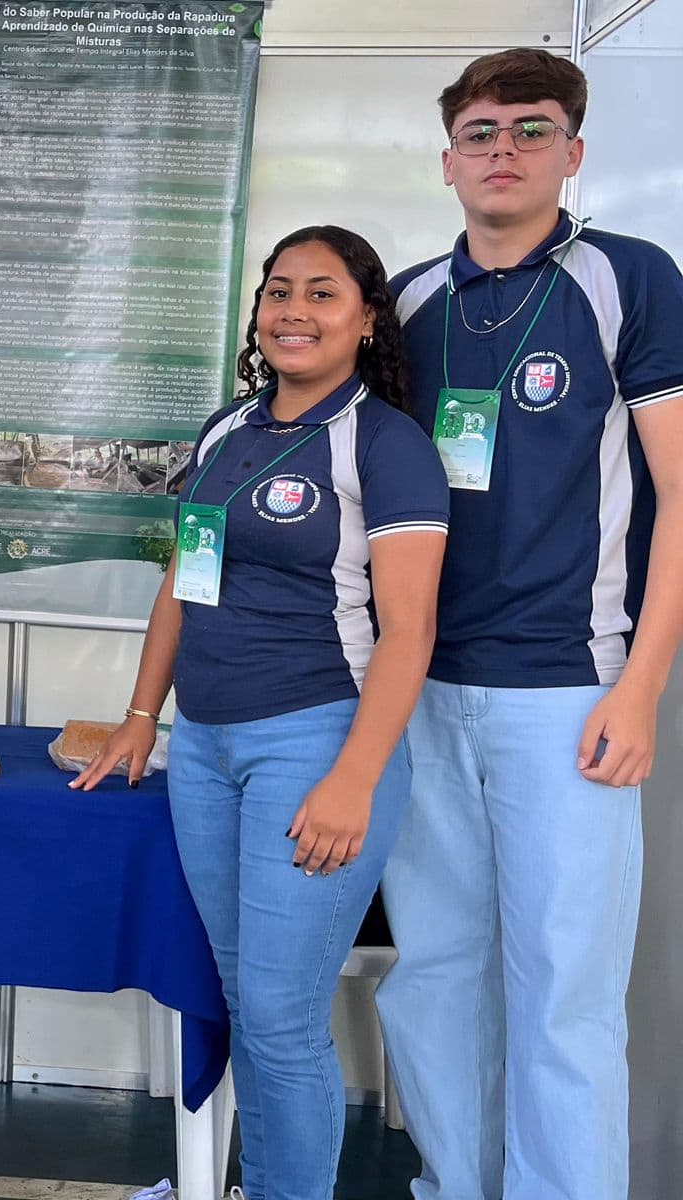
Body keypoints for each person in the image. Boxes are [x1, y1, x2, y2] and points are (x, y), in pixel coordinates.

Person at [75, 227, 449, 1200]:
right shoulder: (224, 431)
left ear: (366, 320)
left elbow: (408, 635)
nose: (293, 311)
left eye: (322, 294)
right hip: (203, 747)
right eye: (278, 291)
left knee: (281, 1017)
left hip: (317, 744)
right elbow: (183, 583)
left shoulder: (385, 443)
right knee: (251, 1003)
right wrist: (138, 715)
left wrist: (353, 779)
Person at [374, 49, 683, 1200]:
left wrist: (641, 688)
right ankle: (458, 1185)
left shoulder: (628, 280)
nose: (503, 150)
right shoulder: (404, 304)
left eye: (531, 130)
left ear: (574, 152)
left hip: (570, 691)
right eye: (482, 131)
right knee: (439, 975)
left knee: (561, 990)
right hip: (419, 694)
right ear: (447, 155)